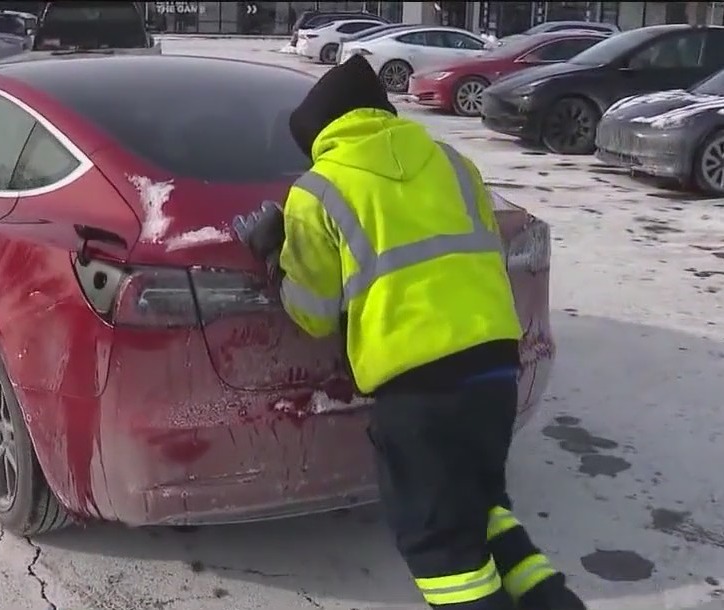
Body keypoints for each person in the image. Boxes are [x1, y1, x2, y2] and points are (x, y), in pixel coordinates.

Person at [232, 56, 586, 610]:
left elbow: (314, 313)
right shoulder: (453, 162)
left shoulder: (318, 190)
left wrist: (276, 257)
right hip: (495, 367)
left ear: (321, 136)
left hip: (421, 388)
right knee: (484, 508)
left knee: (442, 551)